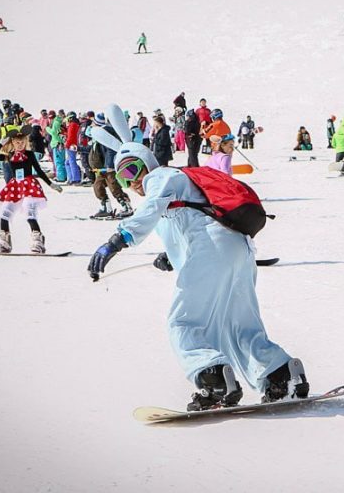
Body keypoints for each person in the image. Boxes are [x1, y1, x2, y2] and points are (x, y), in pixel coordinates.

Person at [86, 118, 309, 411]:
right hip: (238, 250)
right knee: (238, 323)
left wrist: (117, 240)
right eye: (124, 177)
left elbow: (151, 211)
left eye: (132, 169)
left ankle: (214, 382)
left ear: (146, 162)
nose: (132, 182)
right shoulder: (179, 185)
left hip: (214, 251)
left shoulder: (161, 177)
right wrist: (171, 256)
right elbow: (191, 222)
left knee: (184, 323)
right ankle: (280, 373)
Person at [0, 126, 62, 253]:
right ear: (12, 142)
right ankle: (5, 242)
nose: (20, 145)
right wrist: (1, 143)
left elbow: (39, 170)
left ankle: (38, 241)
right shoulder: (9, 154)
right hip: (15, 186)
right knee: (5, 212)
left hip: (29, 185)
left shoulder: (29, 154)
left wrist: (51, 184)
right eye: (17, 142)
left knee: (30, 213)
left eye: (22, 142)